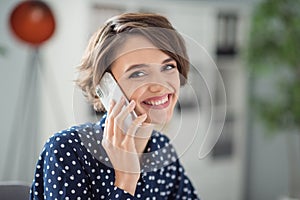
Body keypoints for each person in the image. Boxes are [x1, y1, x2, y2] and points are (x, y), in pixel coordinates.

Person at [30, 12, 200, 199]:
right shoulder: (68, 149)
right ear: (106, 87)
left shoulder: (162, 149)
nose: (160, 85)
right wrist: (126, 179)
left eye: (168, 67)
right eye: (138, 73)